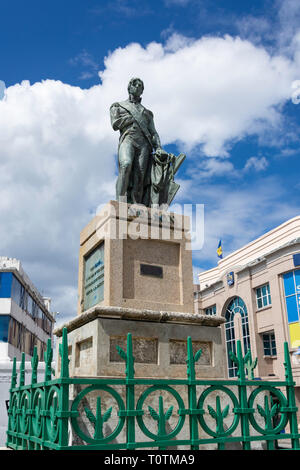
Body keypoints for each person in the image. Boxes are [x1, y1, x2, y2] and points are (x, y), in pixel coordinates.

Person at [110, 78, 166, 205]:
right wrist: (132, 118)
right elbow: (115, 124)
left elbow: (153, 133)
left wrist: (159, 147)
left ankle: (136, 203)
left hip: (144, 144)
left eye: (141, 86)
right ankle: (121, 202)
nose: (138, 88)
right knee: (125, 165)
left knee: (140, 175)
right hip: (128, 139)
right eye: (135, 85)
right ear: (129, 87)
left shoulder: (147, 113)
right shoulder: (118, 106)